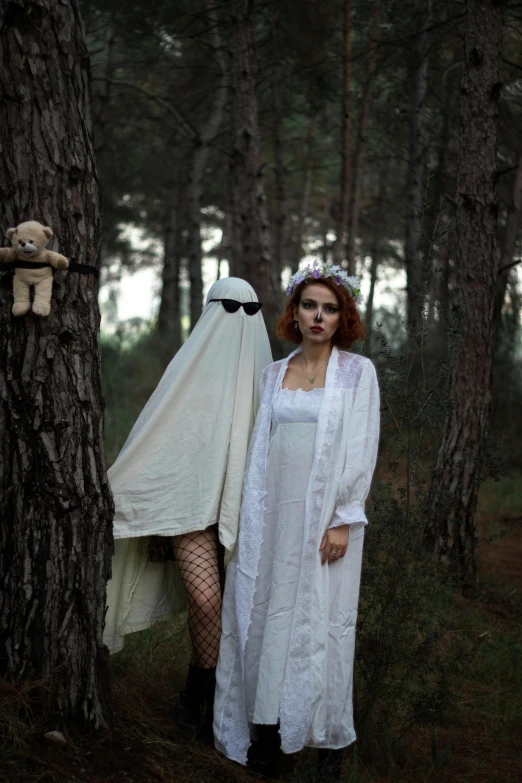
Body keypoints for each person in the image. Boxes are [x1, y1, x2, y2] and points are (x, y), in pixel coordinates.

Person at [213, 264, 380, 781]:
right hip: (271, 521)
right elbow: (256, 453)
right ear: (295, 311)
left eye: (330, 308)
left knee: (321, 621)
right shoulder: (272, 374)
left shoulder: (357, 373)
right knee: (265, 616)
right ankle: (264, 732)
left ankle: (320, 738)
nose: (318, 316)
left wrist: (344, 518)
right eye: (310, 305)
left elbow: (361, 448)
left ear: (342, 317)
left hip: (324, 523)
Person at [103, 277, 272, 740]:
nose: (238, 322)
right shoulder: (187, 372)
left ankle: (204, 693)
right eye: (229, 309)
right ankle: (198, 692)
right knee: (205, 598)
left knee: (240, 607)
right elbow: (159, 438)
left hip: (242, 507)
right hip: (190, 508)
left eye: (249, 310)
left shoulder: (269, 380)